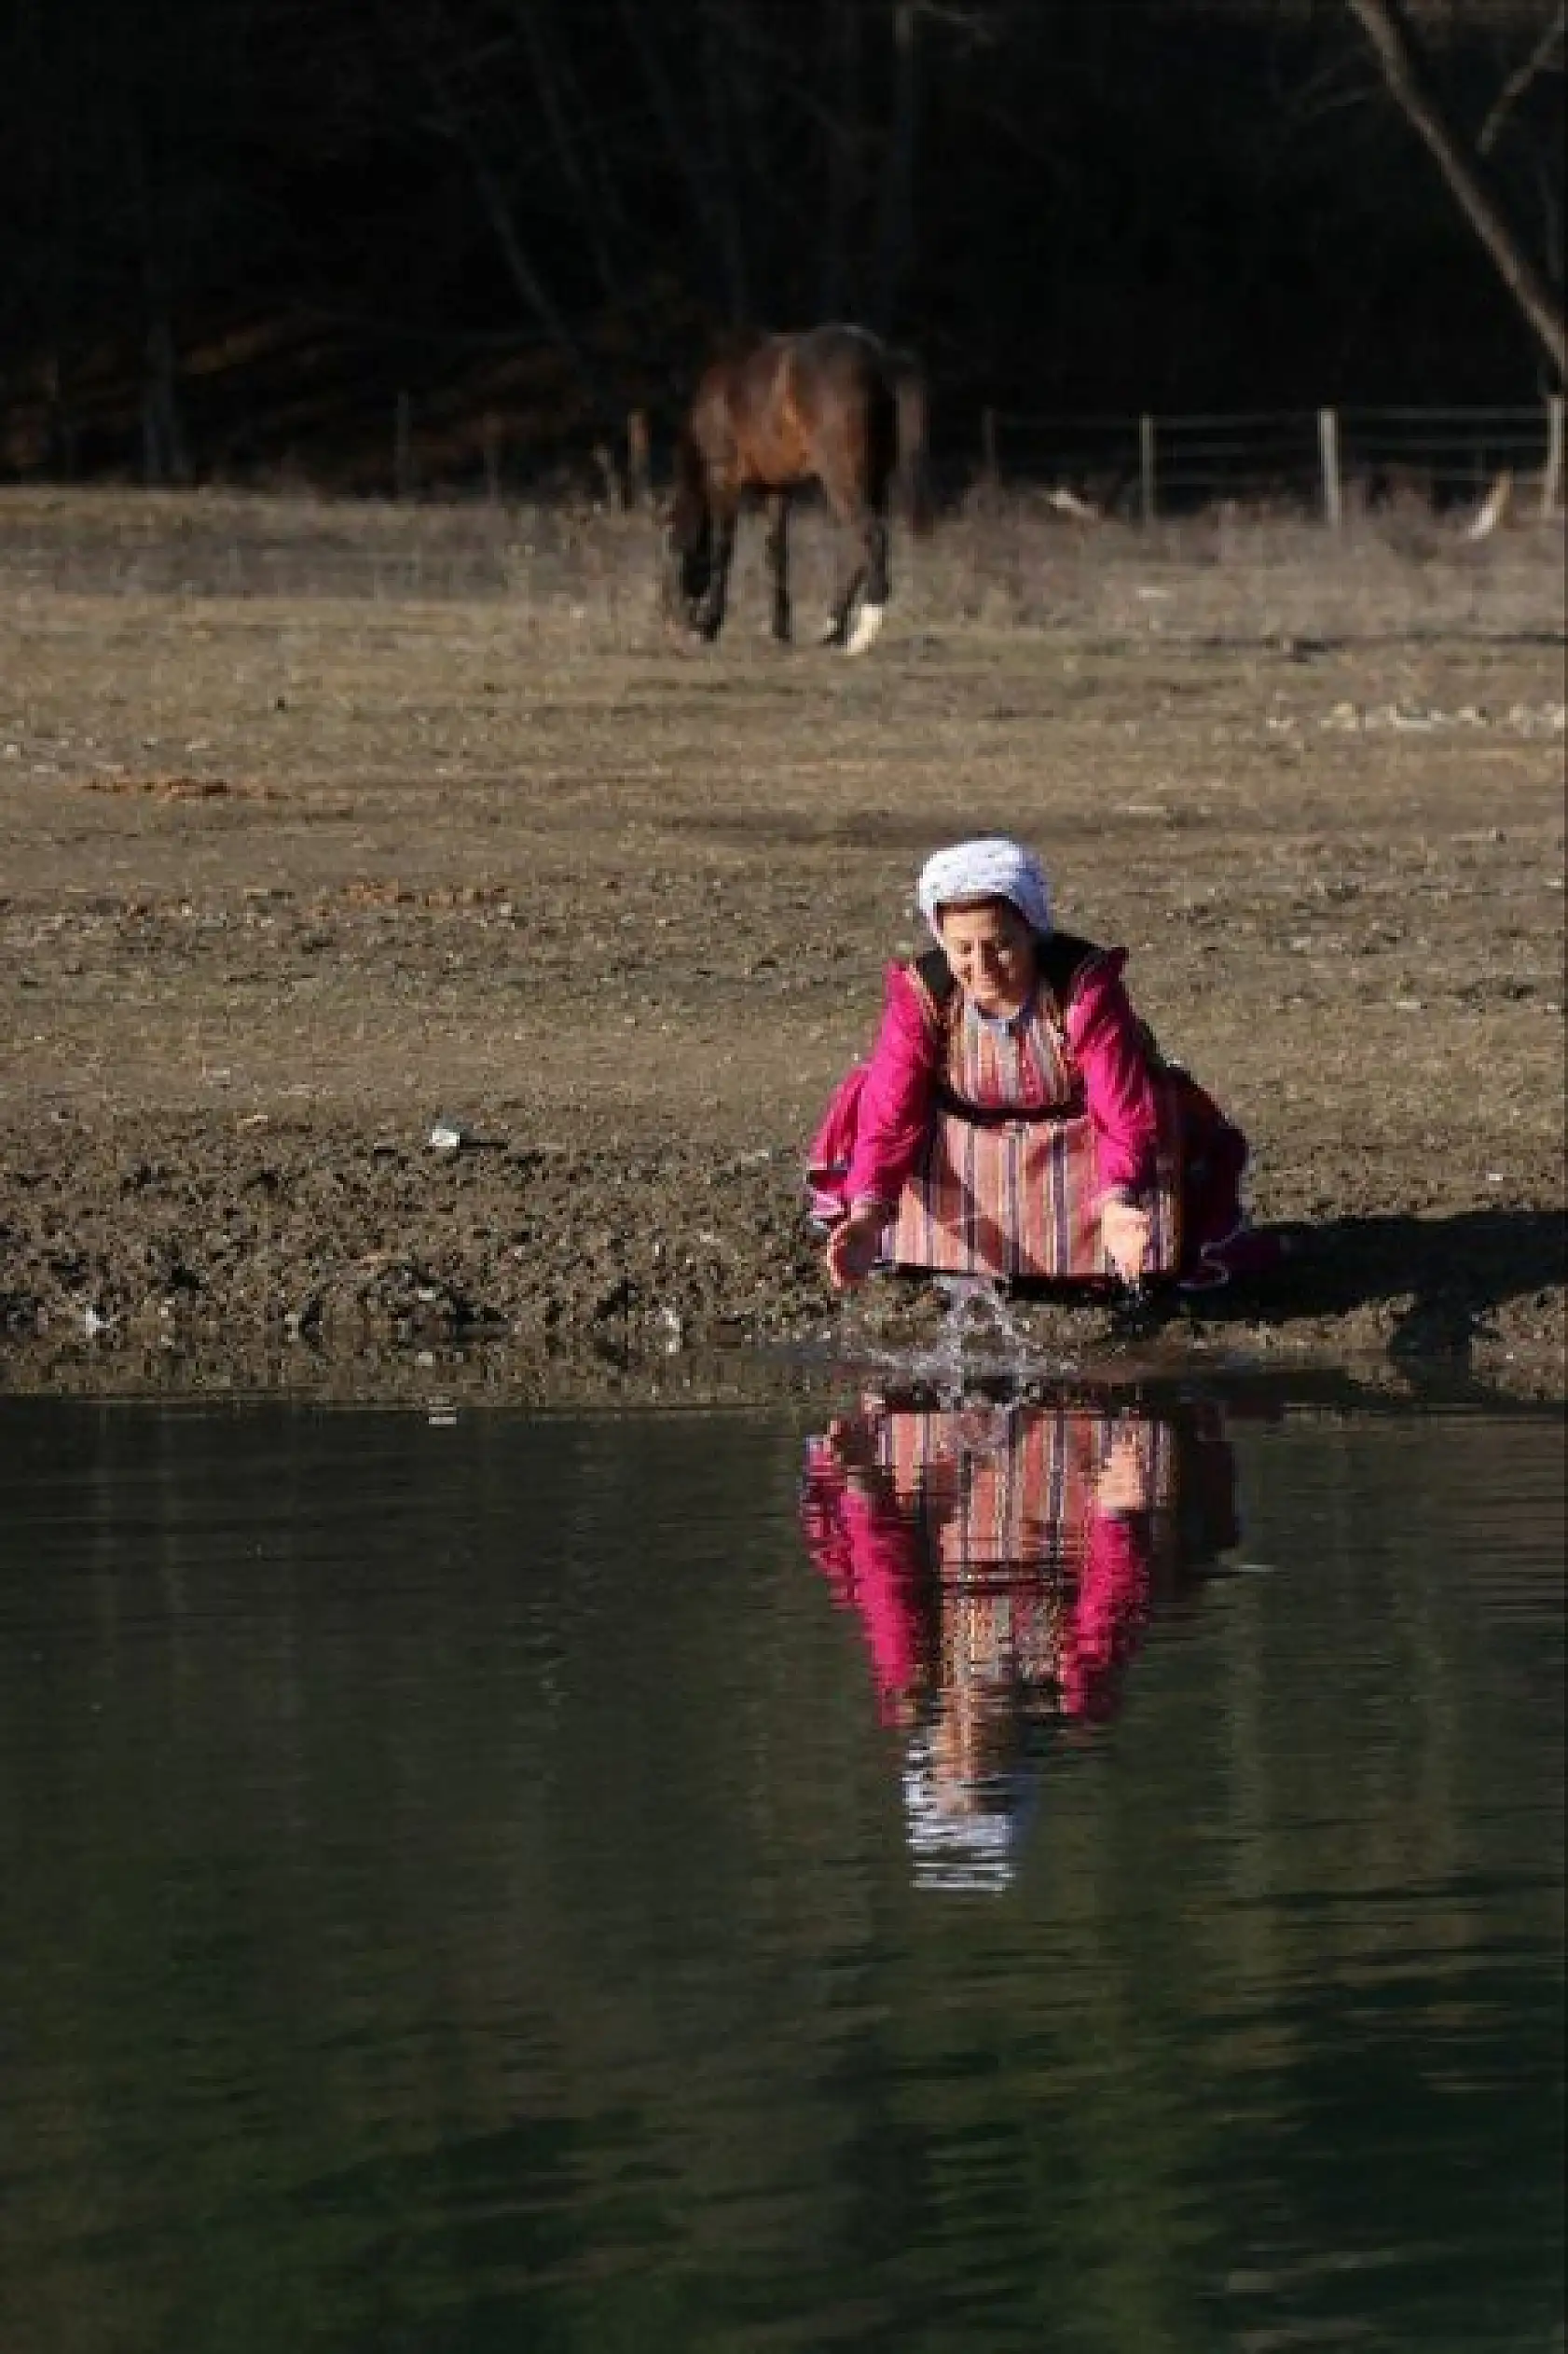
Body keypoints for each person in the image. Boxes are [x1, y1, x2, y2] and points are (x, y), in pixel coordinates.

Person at [807, 835, 1271, 1292]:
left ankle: (1111, 1250)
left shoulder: (1084, 989)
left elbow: (1121, 1108)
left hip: (1077, 1142)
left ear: (1031, 930)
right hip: (963, 1140)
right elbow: (891, 1114)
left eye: (1000, 944)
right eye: (963, 949)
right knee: (870, 1091)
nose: (982, 965)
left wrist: (1118, 1201)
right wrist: (868, 1213)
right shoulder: (923, 993)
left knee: (1158, 1107)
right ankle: (910, 1245)